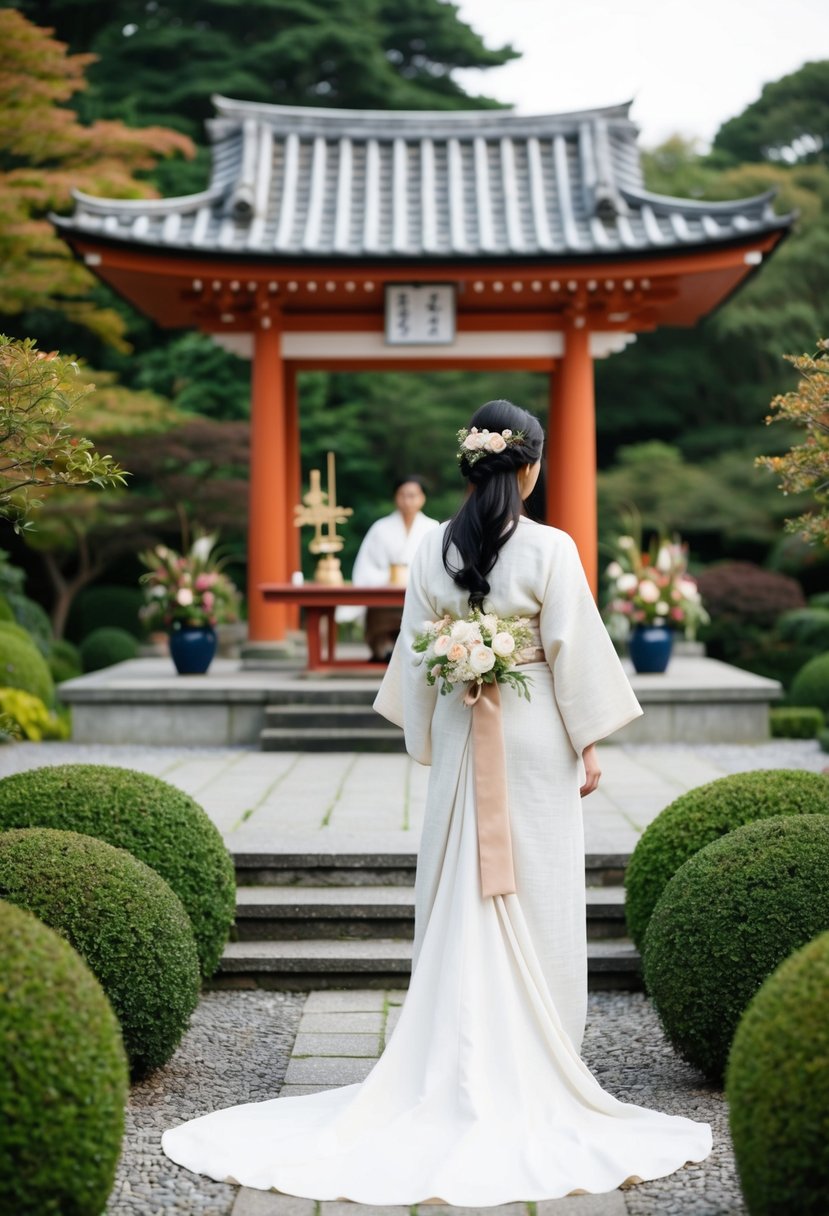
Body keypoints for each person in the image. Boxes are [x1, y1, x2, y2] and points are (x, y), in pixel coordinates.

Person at [162, 400, 712, 1203]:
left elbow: (415, 660)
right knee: (539, 889)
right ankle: (541, 1053)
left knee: (459, 882)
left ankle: (454, 1055)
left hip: (462, 729)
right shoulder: (551, 548)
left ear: (469, 468)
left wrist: (440, 715)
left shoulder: (432, 549)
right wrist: (588, 741)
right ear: (529, 468)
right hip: (531, 734)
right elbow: (572, 649)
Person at [339, 475, 439, 660]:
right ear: (395, 497)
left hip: (419, 591)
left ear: (422, 498)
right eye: (402, 495)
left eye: (413, 495)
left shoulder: (433, 528)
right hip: (384, 588)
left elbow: (437, 567)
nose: (407, 500)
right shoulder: (380, 528)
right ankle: (385, 646)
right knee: (383, 610)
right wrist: (387, 578)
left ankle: (420, 650)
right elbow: (366, 567)